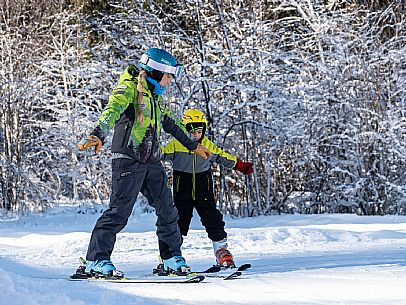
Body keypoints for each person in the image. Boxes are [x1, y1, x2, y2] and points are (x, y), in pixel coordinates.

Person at [76, 48, 211, 277]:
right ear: (156, 72)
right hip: (128, 159)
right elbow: (112, 109)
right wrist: (98, 133)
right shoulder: (129, 87)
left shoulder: (155, 97)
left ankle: (170, 257)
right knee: (119, 212)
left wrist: (193, 145)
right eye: (168, 75)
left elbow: (171, 124)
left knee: (168, 208)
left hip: (152, 160)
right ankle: (96, 260)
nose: (169, 80)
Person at [160, 108, 253, 268]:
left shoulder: (206, 145)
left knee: (213, 219)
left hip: (204, 191)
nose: (196, 135)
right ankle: (169, 257)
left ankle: (222, 252)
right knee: (178, 223)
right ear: (183, 130)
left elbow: (222, 156)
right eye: (192, 131)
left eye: (199, 131)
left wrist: (239, 165)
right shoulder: (175, 145)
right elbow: (159, 154)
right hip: (183, 192)